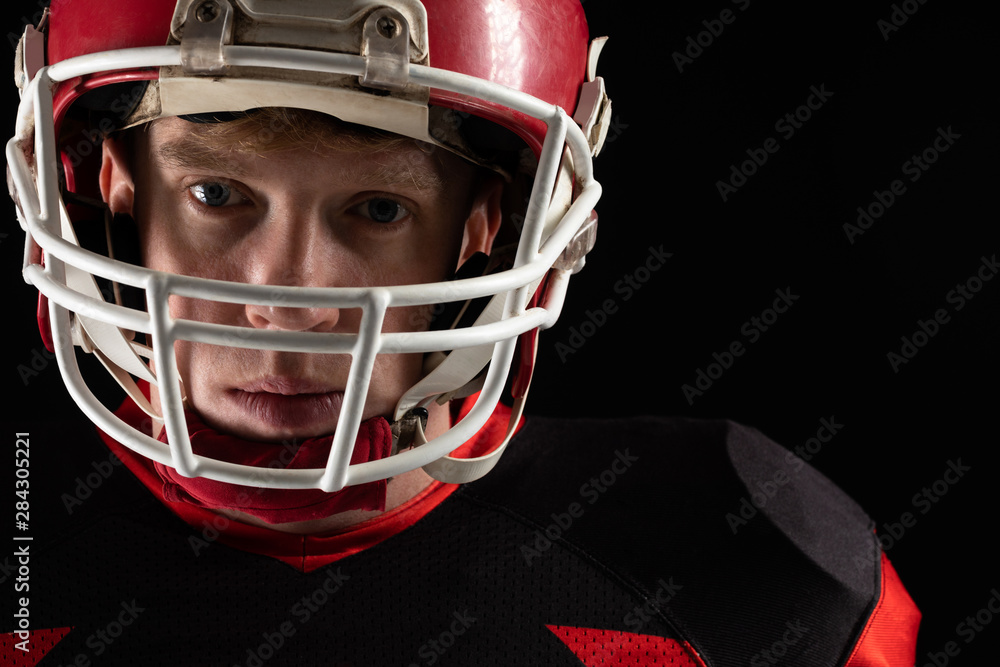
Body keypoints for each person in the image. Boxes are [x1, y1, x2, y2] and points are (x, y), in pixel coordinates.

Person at [5, 1, 920, 665]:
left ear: (487, 221)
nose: (288, 297)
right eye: (217, 194)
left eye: (376, 207)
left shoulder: (752, 561)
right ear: (116, 186)